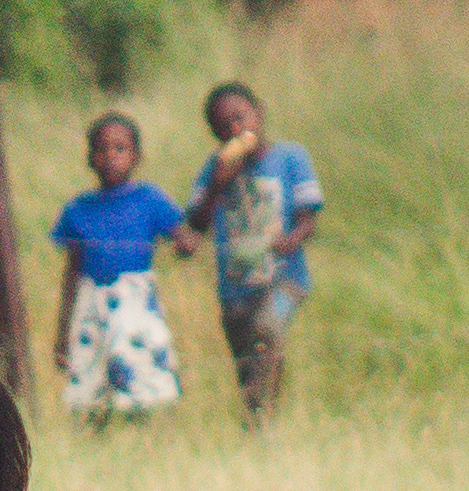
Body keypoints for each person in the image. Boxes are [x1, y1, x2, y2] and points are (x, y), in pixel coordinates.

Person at [177, 80, 322, 422]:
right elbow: (196, 224)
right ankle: (261, 418)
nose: (236, 129)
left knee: (268, 330)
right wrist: (217, 185)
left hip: (285, 278)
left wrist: (294, 237)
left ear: (259, 113)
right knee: (247, 358)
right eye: (224, 126)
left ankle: (257, 419)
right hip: (236, 287)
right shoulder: (215, 169)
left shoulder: (290, 157)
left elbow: (309, 217)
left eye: (241, 117)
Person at [48, 112, 183, 422]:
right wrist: (62, 333)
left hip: (134, 302)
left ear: (136, 156)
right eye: (102, 149)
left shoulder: (150, 199)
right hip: (90, 304)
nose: (111, 157)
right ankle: (98, 439)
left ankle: (144, 438)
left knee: (141, 378)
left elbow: (183, 238)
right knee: (91, 383)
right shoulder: (77, 210)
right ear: (90, 158)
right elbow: (71, 274)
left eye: (120, 149)